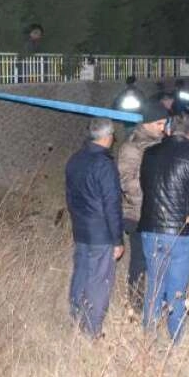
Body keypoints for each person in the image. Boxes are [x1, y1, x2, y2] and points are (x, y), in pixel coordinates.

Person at [138, 112, 189, 343]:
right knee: (177, 289)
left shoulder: (149, 153)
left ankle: (149, 337)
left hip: (151, 228)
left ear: (168, 130)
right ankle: (175, 339)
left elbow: (144, 186)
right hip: (181, 232)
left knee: (154, 285)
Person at [64, 118, 124, 336]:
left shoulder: (74, 159)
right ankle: (92, 330)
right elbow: (112, 204)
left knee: (81, 273)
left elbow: (69, 197)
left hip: (81, 229)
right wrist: (117, 240)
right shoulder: (104, 165)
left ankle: (76, 318)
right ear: (107, 137)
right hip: (101, 233)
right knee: (99, 281)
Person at [117, 101, 169, 313]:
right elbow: (126, 181)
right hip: (137, 214)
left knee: (161, 259)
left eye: (165, 123)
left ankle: (159, 300)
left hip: (160, 213)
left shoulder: (163, 142)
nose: (163, 128)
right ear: (147, 122)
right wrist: (153, 194)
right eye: (159, 123)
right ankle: (136, 303)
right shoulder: (132, 147)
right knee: (140, 260)